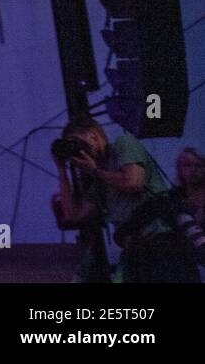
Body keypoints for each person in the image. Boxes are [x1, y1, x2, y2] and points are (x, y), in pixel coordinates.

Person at [52, 115, 200, 283]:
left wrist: (95, 171)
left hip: (161, 241)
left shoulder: (123, 144)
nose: (77, 151)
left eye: (76, 142)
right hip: (135, 250)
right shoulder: (98, 180)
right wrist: (62, 170)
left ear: (93, 136)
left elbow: (133, 182)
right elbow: (74, 215)